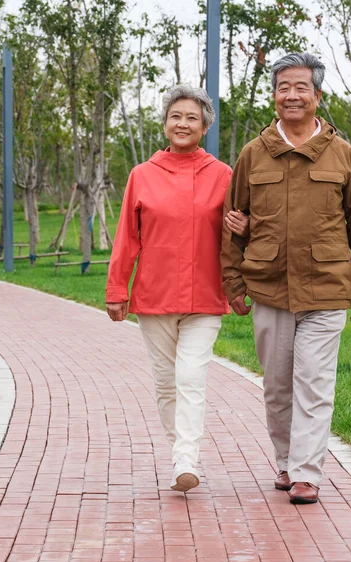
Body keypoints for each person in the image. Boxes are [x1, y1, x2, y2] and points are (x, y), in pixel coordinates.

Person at [221, 52, 351, 504]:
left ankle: (309, 472)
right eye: (283, 87)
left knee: (314, 381)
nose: (292, 95)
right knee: (277, 386)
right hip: (269, 287)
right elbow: (233, 221)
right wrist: (234, 282)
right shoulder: (253, 154)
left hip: (326, 287)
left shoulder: (342, 154)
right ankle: (287, 461)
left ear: (317, 95)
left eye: (301, 87)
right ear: (274, 96)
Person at [106, 84, 248, 493]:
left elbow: (241, 234)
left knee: (190, 376)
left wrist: (246, 245)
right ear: (165, 123)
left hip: (205, 295)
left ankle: (186, 458)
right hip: (155, 296)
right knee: (166, 382)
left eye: (192, 117)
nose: (183, 123)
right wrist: (118, 290)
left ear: (204, 126)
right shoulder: (142, 175)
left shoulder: (223, 175)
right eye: (176, 116)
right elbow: (126, 239)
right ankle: (178, 452)